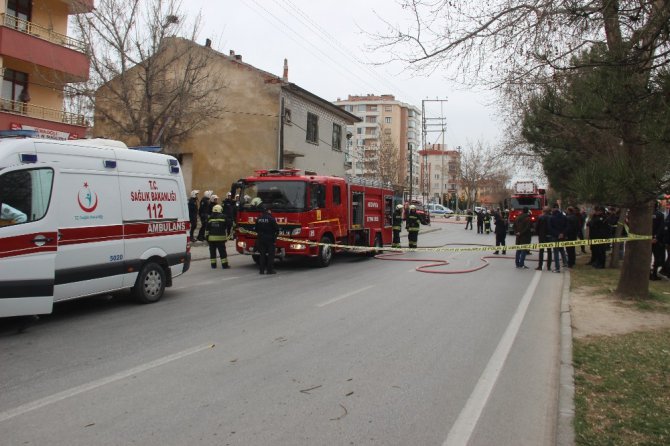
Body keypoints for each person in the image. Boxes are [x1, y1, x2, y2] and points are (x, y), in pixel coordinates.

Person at [254, 203, 279, 274]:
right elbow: (276, 229)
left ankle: (261, 270)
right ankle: (269, 270)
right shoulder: (271, 218)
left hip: (261, 239)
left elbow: (256, 229)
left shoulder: (259, 219)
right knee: (271, 255)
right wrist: (275, 237)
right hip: (270, 239)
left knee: (262, 255)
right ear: (268, 211)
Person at [205, 204, 230, 269]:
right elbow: (229, 224)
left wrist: (207, 237)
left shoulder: (210, 217)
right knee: (222, 252)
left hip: (211, 239)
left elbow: (207, 229)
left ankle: (213, 265)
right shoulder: (224, 217)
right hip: (220, 239)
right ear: (220, 210)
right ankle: (224, 265)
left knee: (212, 252)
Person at [548, 205, 568, 273]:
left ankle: (557, 268)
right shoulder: (564, 217)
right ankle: (565, 263)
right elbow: (567, 227)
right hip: (562, 236)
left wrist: (557, 234)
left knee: (556, 252)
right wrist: (562, 233)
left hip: (555, 236)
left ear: (553, 209)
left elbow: (550, 228)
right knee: (562, 249)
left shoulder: (552, 218)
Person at [651, 202, 666, 280]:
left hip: (646, 239)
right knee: (657, 257)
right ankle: (654, 274)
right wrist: (656, 237)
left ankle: (648, 273)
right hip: (656, 240)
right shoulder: (660, 215)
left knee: (647, 256)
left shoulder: (646, 215)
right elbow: (661, 228)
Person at [535, 207, 553, 271]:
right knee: (549, 251)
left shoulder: (540, 217)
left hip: (542, 236)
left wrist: (538, 233)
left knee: (541, 251)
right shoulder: (552, 217)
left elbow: (537, 226)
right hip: (549, 236)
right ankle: (549, 266)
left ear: (543, 211)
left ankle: (540, 266)